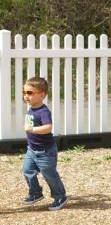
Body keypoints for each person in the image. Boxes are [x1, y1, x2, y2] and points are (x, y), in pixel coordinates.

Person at [22, 77, 68, 211]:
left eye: (30, 93)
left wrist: (32, 129)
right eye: (24, 93)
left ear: (42, 95)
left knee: (49, 174)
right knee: (27, 170)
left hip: (45, 151)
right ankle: (35, 192)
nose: (26, 96)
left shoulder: (43, 111)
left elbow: (48, 127)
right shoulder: (31, 109)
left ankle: (60, 196)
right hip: (32, 150)